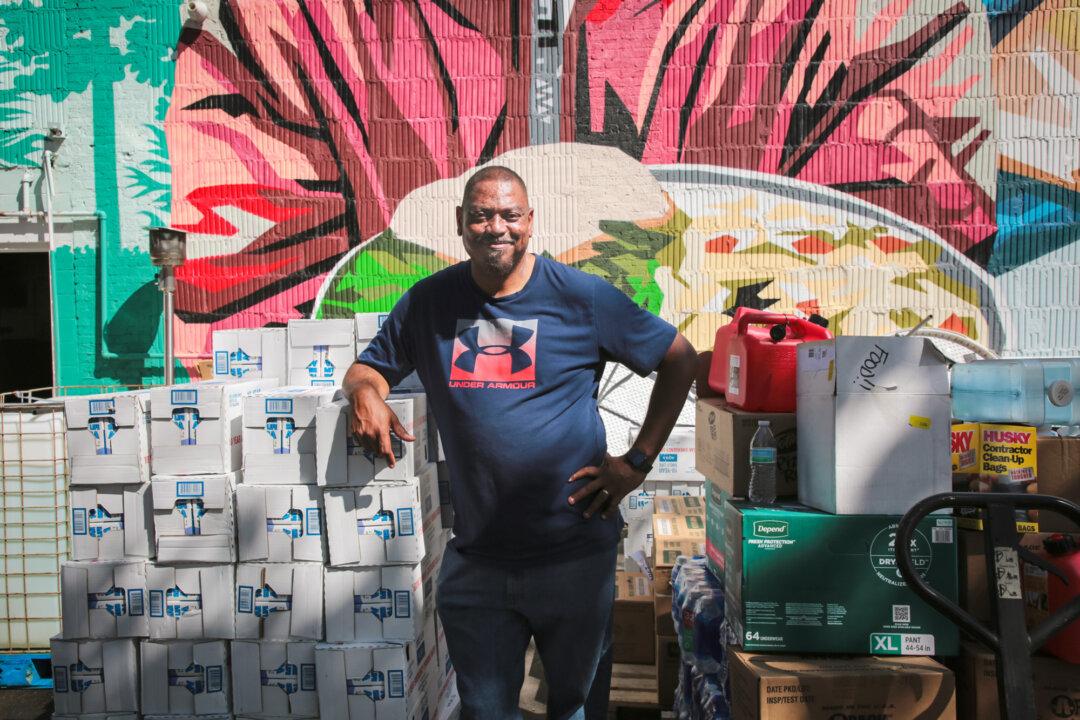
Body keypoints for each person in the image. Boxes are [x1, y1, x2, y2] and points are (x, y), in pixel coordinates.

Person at [343, 165, 698, 720]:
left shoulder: (582, 298)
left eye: (510, 215)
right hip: (478, 561)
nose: (496, 228)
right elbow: (370, 368)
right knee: (485, 712)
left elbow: (680, 357)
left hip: (573, 557)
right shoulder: (429, 303)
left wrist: (637, 463)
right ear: (461, 223)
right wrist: (364, 392)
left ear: (530, 223)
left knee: (574, 709)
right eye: (482, 215)